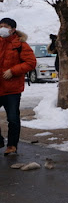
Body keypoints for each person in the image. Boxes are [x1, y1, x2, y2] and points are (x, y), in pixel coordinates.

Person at [0, 17, 36, 156]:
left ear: (13, 29)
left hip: (12, 89)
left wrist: (13, 71)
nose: (2, 28)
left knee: (13, 118)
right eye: (1, 25)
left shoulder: (20, 44)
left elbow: (31, 62)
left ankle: (12, 146)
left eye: (5, 26)